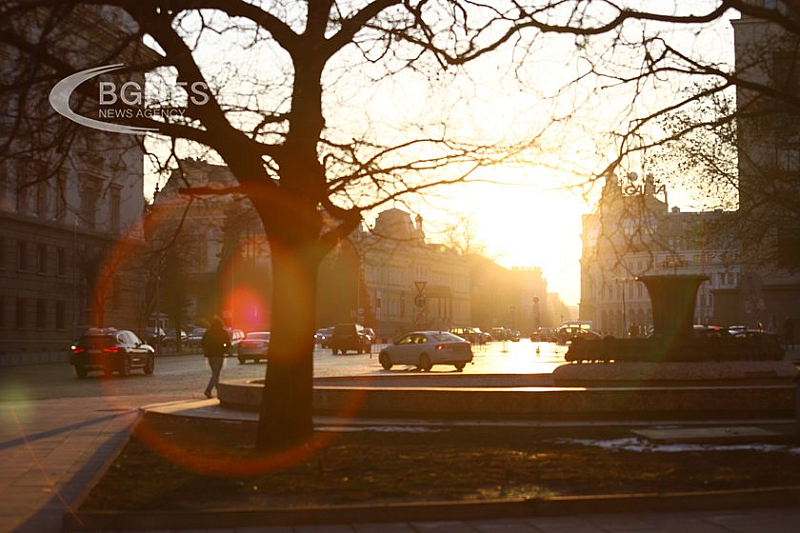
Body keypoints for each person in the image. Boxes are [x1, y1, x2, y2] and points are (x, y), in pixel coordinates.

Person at [201, 317, 230, 399]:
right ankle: (208, 390)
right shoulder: (223, 332)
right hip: (219, 355)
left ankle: (220, 392)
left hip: (210, 355)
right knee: (216, 374)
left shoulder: (209, 332)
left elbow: (203, 342)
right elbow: (227, 343)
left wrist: (207, 349)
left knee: (215, 374)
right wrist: (224, 349)